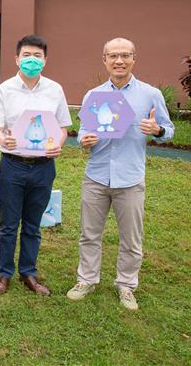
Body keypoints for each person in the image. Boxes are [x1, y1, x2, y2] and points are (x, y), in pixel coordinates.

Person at [67, 38, 174, 310]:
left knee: (131, 237)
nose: (119, 61)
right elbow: (83, 132)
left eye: (125, 55)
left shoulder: (150, 95)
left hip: (130, 178)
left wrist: (158, 131)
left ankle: (126, 284)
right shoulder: (93, 96)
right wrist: (83, 140)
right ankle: (86, 279)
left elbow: (168, 130)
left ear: (134, 59)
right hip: (97, 176)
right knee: (89, 234)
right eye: (113, 55)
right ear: (104, 59)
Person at [0, 34, 71, 296]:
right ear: (16, 58)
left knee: (33, 224)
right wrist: (5, 140)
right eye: (27, 55)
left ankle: (29, 272)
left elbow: (63, 127)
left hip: (43, 167)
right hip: (12, 164)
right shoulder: (3, 90)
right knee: (9, 224)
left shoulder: (55, 90)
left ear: (45, 60)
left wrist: (58, 143)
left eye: (37, 56)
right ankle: (4, 274)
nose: (32, 60)